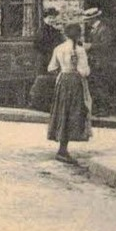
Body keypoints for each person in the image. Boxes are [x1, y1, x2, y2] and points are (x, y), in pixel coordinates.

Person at [47, 22, 93, 162]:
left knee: (62, 112)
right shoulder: (80, 50)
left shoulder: (59, 48)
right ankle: (63, 150)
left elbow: (51, 67)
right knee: (73, 112)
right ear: (78, 35)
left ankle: (62, 148)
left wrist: (62, 72)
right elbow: (84, 71)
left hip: (62, 81)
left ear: (65, 34)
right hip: (75, 83)